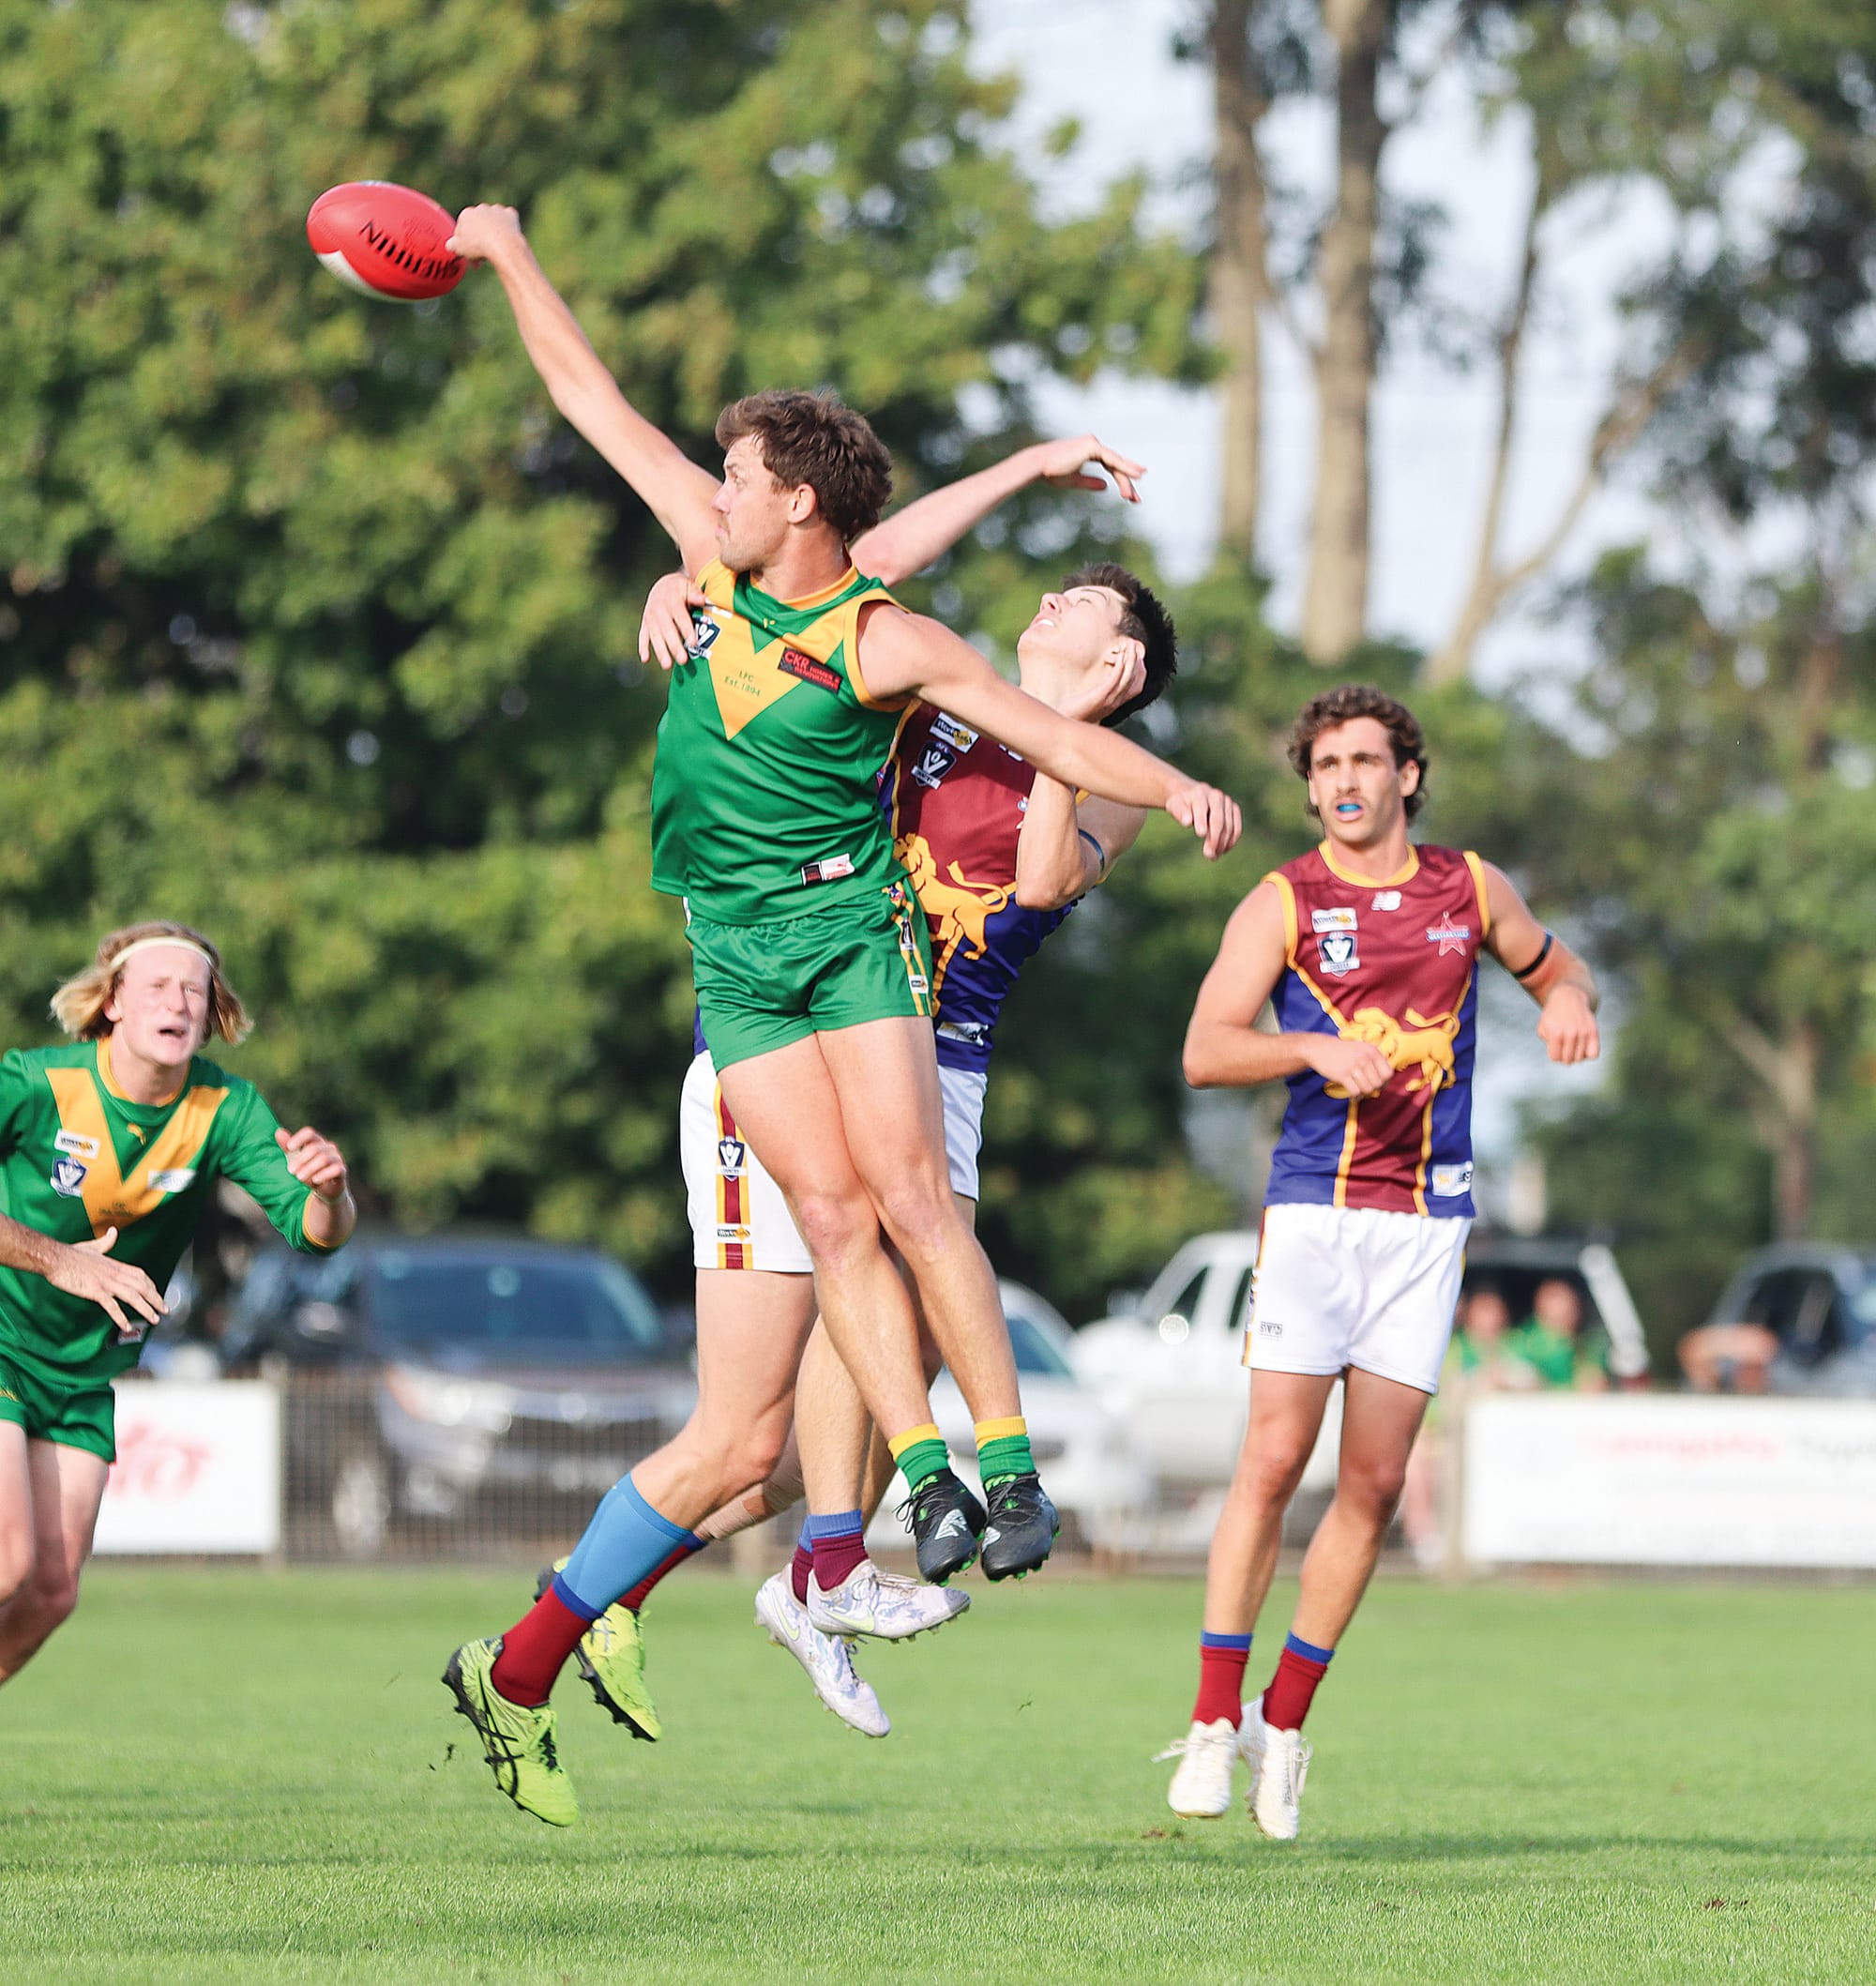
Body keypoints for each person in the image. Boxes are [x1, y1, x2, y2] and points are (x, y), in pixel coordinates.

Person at [438, 199, 1239, 1827]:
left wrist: (1162, 770)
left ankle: (575, 1645)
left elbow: (1042, 816)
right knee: (760, 1388)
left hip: (867, 984)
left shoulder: (897, 648)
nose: (711, 490)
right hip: (746, 982)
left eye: (736, 476)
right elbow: (593, 402)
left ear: (786, 499)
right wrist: (508, 251)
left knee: (765, 1396)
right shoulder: (767, 578)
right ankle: (813, 1561)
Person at [537, 457, 1170, 1751]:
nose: (1048, 605)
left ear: (1124, 668)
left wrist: (1068, 734)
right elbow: (822, 576)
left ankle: (778, 1581)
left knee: (823, 1415)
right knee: (763, 1414)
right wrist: (687, 581)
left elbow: (1043, 882)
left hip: (949, 1059)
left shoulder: (1112, 775)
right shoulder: (929, 680)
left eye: (1081, 609)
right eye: (1053, 593)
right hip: (826, 1020)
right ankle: (792, 1571)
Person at [1157, 685, 1599, 1838]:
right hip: (1314, 1212)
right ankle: (1212, 1720)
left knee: (1373, 1486)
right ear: (1308, 786)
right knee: (1268, 1461)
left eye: (1364, 759)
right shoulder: (1283, 900)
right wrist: (1308, 1045)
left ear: (1407, 773)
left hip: (1428, 1222)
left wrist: (1566, 1003)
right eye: (1324, 765)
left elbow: (1557, 968)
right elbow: (1204, 1046)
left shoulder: (1468, 886)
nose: (1343, 780)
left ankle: (1283, 1723)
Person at [0, 923, 355, 1687]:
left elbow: (315, 1233)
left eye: (195, 989)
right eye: (158, 985)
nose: (180, 1000)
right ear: (114, 1004)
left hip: (78, 1375)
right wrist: (60, 1260)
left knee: (53, 1590)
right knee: (8, 1560)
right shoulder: (36, 1083)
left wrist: (333, 1192)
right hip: (1, 1339)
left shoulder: (223, 1107)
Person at [1505, 1277, 1610, 1390]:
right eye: (1562, 1303)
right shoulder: (1520, 1343)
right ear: (1541, 1305)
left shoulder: (1588, 1344)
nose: (1571, 1310)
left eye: (1573, 1304)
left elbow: (1594, 1382)